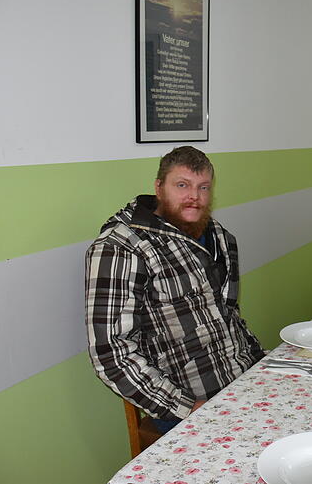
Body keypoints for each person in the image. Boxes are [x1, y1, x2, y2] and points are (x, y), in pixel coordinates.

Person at [85, 146, 265, 433]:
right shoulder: (121, 248)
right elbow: (112, 355)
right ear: (159, 187)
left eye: (203, 187)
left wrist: (263, 364)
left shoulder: (219, 237)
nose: (194, 196)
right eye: (182, 185)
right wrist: (190, 408)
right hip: (186, 404)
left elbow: (229, 317)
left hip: (241, 381)